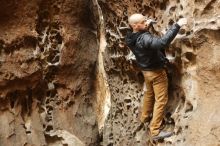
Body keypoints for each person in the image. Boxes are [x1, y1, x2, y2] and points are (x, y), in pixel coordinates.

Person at [125, 13, 187, 140]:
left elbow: (141, 38)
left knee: (149, 94)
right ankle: (155, 131)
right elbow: (162, 43)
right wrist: (177, 25)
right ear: (136, 26)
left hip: (145, 70)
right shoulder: (145, 39)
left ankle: (145, 117)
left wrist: (146, 26)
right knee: (161, 100)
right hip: (156, 73)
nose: (146, 22)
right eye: (144, 21)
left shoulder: (129, 37)